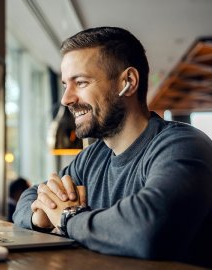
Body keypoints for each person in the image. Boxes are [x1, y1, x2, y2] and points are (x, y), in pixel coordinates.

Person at [12, 27, 212, 267]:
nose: (66, 99)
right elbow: (29, 197)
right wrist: (41, 217)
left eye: (81, 82)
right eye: (65, 84)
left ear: (128, 82)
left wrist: (67, 218)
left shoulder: (184, 145)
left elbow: (147, 229)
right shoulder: (90, 159)